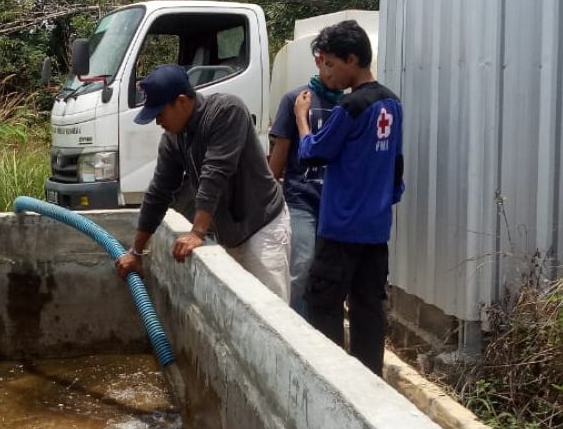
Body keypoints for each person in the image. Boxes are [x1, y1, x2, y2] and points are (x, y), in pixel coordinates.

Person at [115, 65, 291, 300]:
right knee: (240, 311)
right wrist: (136, 251)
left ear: (181, 102)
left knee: (271, 310)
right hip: (229, 232)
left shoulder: (227, 111)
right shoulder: (173, 138)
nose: (158, 122)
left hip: (262, 226)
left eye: (160, 114)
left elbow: (215, 173)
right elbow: (158, 193)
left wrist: (198, 232)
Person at [295, 20, 404, 377]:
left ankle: (332, 380)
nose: (328, 72)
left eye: (331, 63)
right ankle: (368, 381)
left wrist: (302, 121)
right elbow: (397, 168)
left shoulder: (351, 108)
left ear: (352, 59)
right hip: (375, 232)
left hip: (341, 230)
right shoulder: (392, 103)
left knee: (322, 304)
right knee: (368, 310)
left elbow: (314, 152)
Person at [269, 53, 344, 314]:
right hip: (301, 198)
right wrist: (267, 200)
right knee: (301, 267)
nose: (334, 71)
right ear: (319, 61)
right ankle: (291, 327)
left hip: (335, 204)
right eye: (330, 62)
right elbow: (280, 153)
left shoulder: (347, 105)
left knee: (327, 274)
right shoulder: (296, 100)